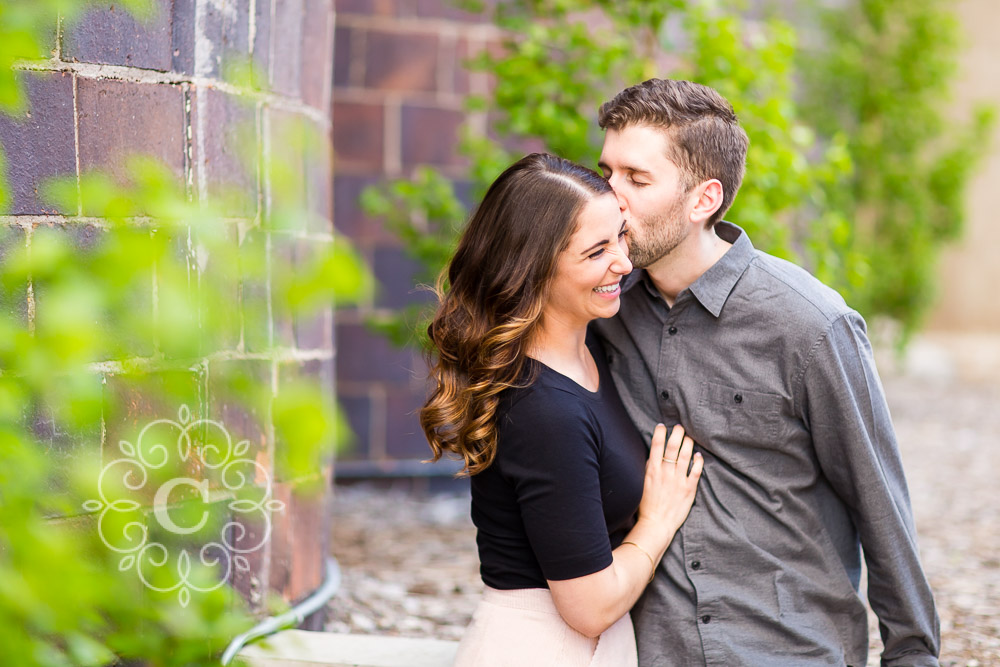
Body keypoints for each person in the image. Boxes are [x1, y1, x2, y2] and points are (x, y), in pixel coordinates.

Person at [592, 78, 940, 666]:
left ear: (704, 199)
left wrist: (913, 654)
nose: (609, 197)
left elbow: (879, 505)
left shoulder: (810, 324)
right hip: (653, 649)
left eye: (637, 179)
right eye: (606, 173)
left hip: (789, 649)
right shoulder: (603, 311)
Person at [420, 153, 703, 666]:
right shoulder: (544, 410)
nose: (622, 261)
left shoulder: (588, 354)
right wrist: (657, 521)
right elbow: (589, 607)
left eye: (620, 235)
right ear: (533, 271)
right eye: (596, 252)